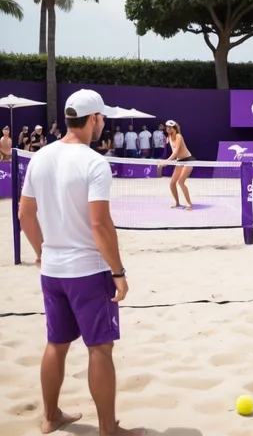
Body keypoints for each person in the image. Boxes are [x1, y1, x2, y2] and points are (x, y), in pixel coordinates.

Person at [18, 88, 145, 436]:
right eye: (102, 117)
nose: (103, 123)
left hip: (53, 271)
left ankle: (50, 417)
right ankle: (108, 429)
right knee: (100, 349)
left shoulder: (40, 157)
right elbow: (100, 224)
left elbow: (25, 214)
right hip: (87, 271)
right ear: (92, 120)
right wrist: (118, 272)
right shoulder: (93, 162)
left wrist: (42, 252)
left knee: (56, 344)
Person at [164, 119, 194, 210]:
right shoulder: (169, 138)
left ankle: (189, 204)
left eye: (169, 127)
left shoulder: (178, 136)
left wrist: (166, 162)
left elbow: (176, 152)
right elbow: (174, 152)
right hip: (179, 161)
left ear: (174, 128)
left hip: (188, 160)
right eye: (167, 127)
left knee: (180, 182)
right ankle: (177, 203)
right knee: (172, 183)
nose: (167, 129)